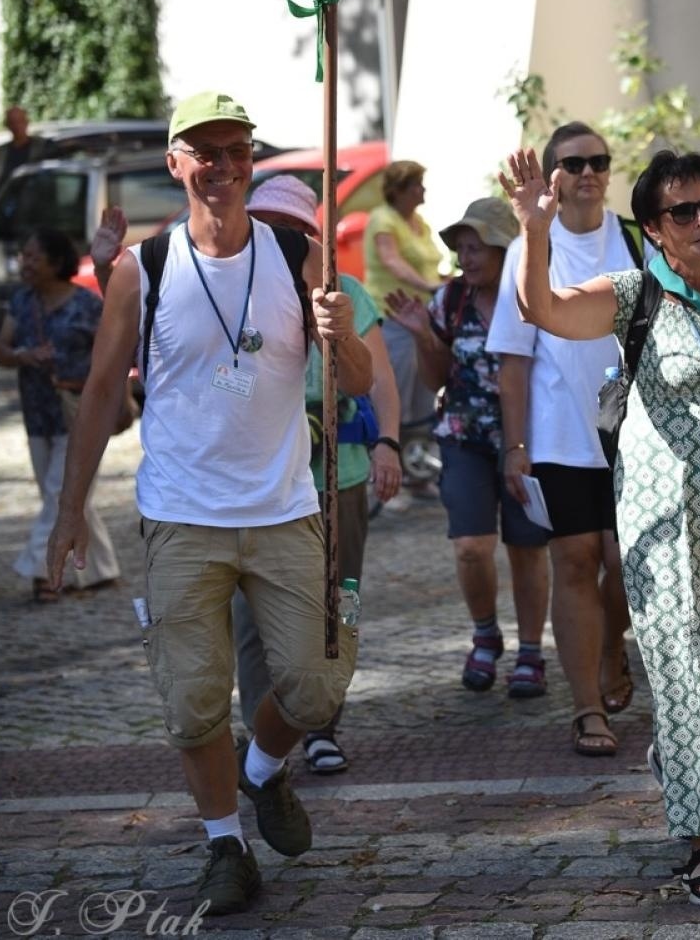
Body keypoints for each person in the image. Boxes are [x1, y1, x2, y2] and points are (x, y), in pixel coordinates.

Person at [46, 92, 372, 916]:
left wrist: (343, 333)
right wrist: (68, 511)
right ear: (176, 164)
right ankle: (225, 845)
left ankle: (261, 771)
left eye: (237, 150)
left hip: (285, 508)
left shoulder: (299, 255)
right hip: (181, 515)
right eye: (206, 151)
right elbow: (96, 397)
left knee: (316, 687)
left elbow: (359, 384)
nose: (224, 166)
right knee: (193, 703)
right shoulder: (142, 271)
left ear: (251, 158)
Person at [500, 144, 700, 908]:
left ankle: (689, 769)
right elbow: (547, 311)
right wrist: (534, 232)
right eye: (681, 211)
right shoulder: (636, 293)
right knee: (687, 660)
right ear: (655, 228)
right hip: (662, 517)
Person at [233, 175, 400, 775]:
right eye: (267, 226)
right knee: (250, 612)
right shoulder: (235, 291)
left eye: (292, 230)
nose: (279, 239)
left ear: (312, 237)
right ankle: (263, 741)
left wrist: (387, 443)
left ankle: (323, 723)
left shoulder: (344, 289)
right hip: (258, 480)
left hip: (339, 474)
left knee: (336, 600)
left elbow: (378, 379)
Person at [486, 121, 637, 756]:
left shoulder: (636, 238)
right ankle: (586, 709)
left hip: (633, 432)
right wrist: (515, 447)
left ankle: (608, 642)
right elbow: (514, 359)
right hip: (559, 436)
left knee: (629, 567)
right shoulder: (531, 247)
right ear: (553, 176)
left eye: (598, 161)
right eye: (574, 163)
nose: (588, 173)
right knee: (574, 562)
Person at [385, 198, 552, 698]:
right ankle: (485, 634)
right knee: (471, 547)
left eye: (476, 247)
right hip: (463, 437)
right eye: (461, 247)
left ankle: (530, 650)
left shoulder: (532, 298)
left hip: (527, 441)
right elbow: (436, 376)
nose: (465, 257)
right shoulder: (448, 300)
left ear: (504, 249)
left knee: (527, 549)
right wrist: (421, 336)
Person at [0, 227, 121, 602]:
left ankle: (44, 571)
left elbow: (114, 356)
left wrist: (123, 403)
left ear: (56, 262)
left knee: (58, 493)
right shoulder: (21, 302)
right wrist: (22, 355)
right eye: (24, 256)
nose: (25, 263)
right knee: (65, 495)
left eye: (33, 257)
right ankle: (99, 569)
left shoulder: (87, 305)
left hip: (80, 412)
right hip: (38, 414)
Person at [363, 160, 441, 464]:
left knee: (423, 393)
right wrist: (429, 286)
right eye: (416, 185)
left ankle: (415, 466)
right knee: (396, 391)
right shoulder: (384, 219)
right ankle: (390, 466)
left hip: (421, 317)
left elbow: (430, 262)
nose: (422, 190)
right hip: (393, 319)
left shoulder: (419, 222)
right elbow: (392, 261)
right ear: (399, 190)